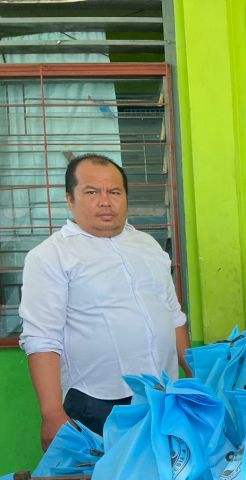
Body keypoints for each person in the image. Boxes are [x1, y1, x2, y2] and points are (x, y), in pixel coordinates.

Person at [19, 154, 190, 449]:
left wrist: (194, 376)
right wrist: (51, 413)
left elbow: (173, 316)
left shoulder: (147, 245)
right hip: (98, 404)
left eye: (114, 192)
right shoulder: (50, 256)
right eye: (91, 192)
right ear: (70, 200)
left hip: (163, 395)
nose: (105, 202)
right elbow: (42, 339)